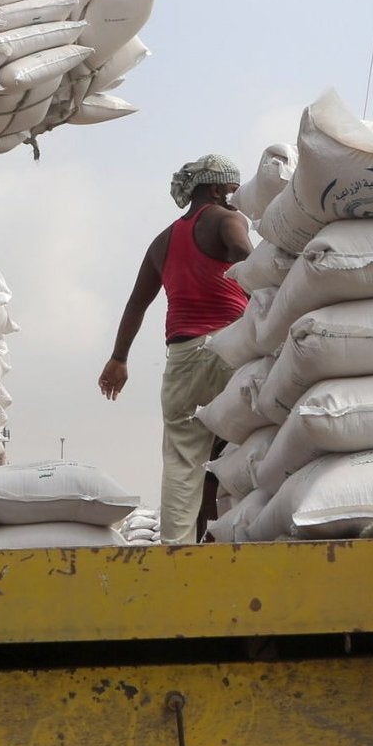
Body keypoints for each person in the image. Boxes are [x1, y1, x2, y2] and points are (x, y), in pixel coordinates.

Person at [98, 154, 252, 544]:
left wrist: (119, 358)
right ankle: (240, 541)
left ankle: (177, 552)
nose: (235, 198)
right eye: (231, 190)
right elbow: (243, 254)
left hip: (184, 359)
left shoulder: (162, 242)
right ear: (217, 189)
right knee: (247, 444)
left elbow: (137, 302)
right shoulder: (227, 219)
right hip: (232, 348)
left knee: (184, 462)